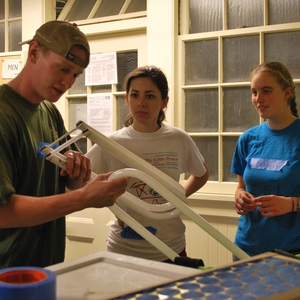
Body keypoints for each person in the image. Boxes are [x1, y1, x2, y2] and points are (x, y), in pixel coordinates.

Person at [0, 20, 128, 268]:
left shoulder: (49, 112)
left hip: (44, 267)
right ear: (34, 52)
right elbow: (3, 212)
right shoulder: (4, 114)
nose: (68, 82)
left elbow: (66, 183)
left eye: (76, 75)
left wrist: (77, 173)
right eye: (62, 69)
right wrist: (83, 198)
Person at [86, 65, 209, 262]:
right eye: (134, 95)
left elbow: (201, 174)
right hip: (123, 249)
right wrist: (111, 203)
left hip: (170, 247)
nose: (141, 103)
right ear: (127, 99)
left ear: (164, 101)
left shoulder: (178, 138)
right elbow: (83, 179)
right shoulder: (111, 143)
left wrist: (176, 197)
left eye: (150, 96)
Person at [230, 61, 300, 258]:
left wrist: (292, 204)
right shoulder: (248, 139)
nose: (258, 99)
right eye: (254, 92)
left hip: (291, 252)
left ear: (287, 93)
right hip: (245, 248)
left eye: (266, 91)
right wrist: (240, 197)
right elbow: (241, 187)